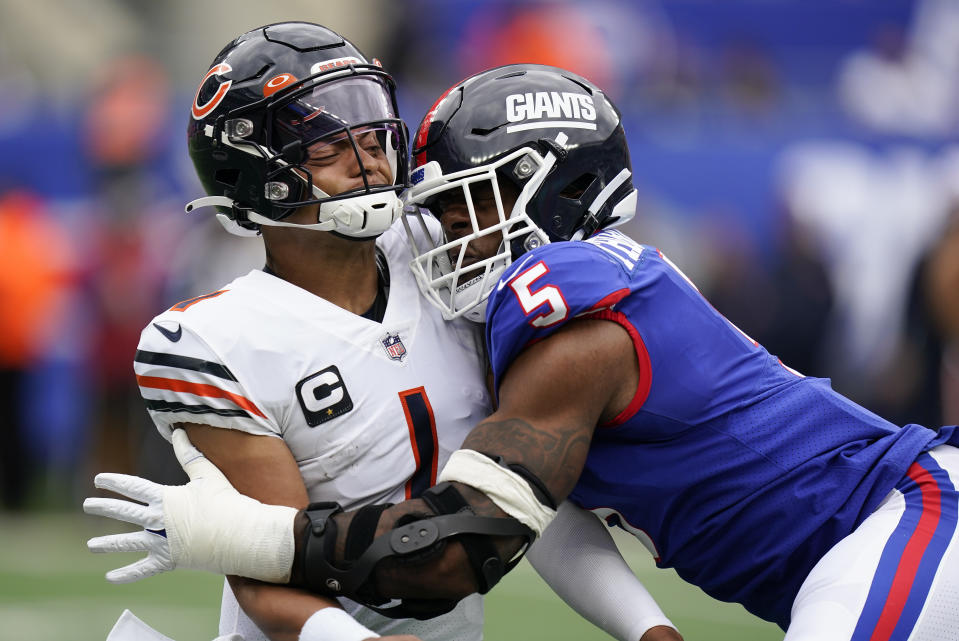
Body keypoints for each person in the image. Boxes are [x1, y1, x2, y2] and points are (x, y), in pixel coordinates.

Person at [86, 26, 680, 641]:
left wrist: (644, 626)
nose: (365, 148)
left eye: (371, 125)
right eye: (324, 136)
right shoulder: (211, 340)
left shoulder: (455, 253)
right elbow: (263, 560)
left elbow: (526, 500)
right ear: (250, 164)